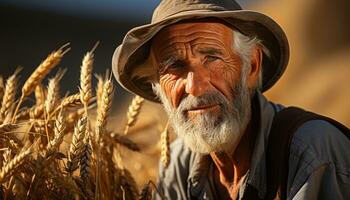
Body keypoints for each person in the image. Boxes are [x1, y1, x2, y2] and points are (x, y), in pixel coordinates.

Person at [112, 0, 350, 199]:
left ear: (252, 67)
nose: (194, 88)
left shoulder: (312, 153)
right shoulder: (178, 164)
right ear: (158, 87)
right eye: (174, 66)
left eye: (212, 58)